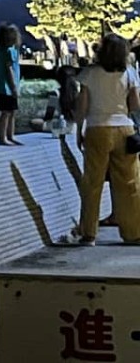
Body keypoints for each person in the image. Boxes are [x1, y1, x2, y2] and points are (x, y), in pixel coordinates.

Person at [74, 34, 140, 246]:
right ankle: (133, 233)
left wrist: (78, 129)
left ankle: (89, 233)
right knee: (129, 183)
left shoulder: (89, 74)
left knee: (93, 183)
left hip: (97, 129)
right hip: (124, 129)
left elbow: (82, 105)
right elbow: (136, 105)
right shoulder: (130, 73)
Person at [0, 23, 23, 146]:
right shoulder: (8, 52)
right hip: (6, 88)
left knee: (12, 111)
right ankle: (2, 137)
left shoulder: (11, 50)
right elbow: (9, 70)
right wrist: (13, 87)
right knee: (6, 112)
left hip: (8, 87)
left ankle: (10, 135)